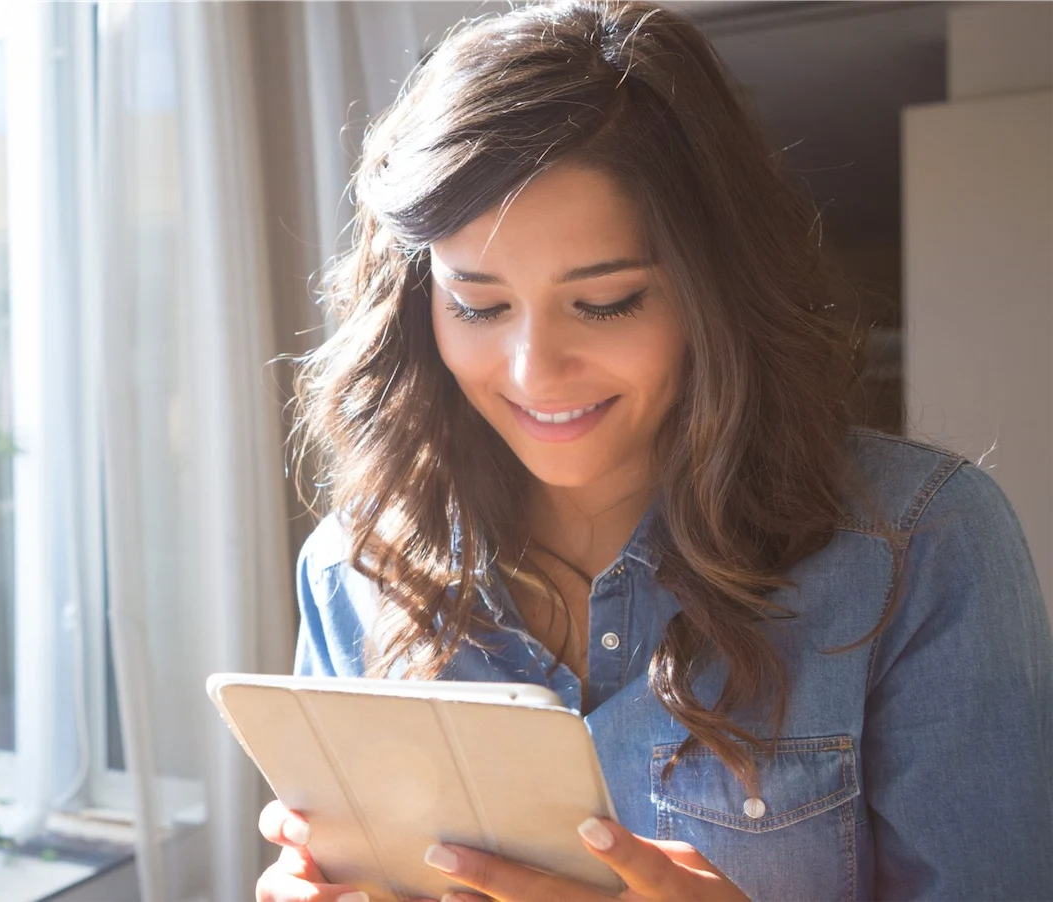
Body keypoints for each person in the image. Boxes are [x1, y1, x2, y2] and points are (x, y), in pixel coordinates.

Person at [259, 1, 1053, 900]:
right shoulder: (355, 567)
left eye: (605, 304)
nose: (533, 371)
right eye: (478, 306)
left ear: (715, 291)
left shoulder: (921, 545)